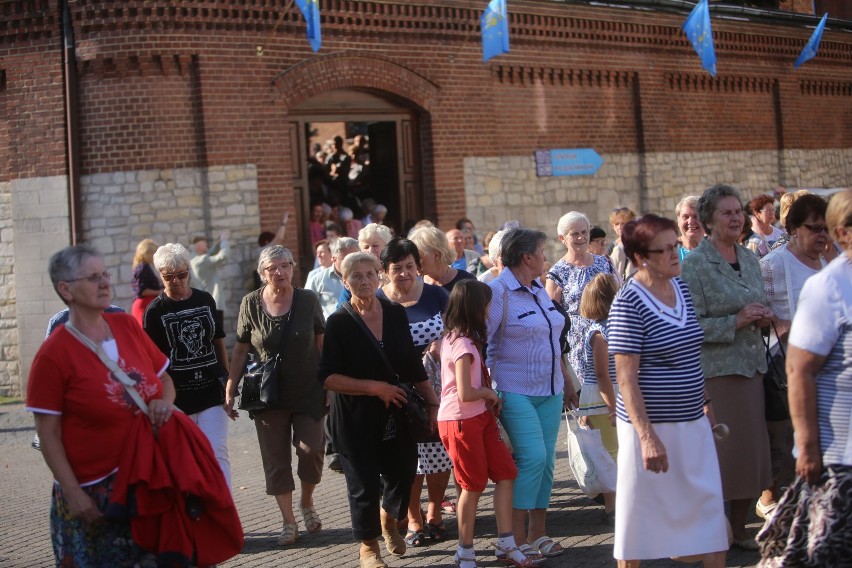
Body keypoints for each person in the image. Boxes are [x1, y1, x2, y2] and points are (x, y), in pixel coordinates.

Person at [26, 244, 176, 566]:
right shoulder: (53, 354)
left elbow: (164, 380)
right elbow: (48, 434)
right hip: (95, 496)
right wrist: (74, 493)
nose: (105, 282)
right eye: (93, 277)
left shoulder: (126, 327)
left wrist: (164, 404)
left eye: (104, 274)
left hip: (149, 482)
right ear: (65, 289)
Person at [608, 215, 728, 567]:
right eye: (667, 248)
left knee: (710, 518)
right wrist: (646, 437)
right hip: (649, 429)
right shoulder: (628, 303)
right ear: (642, 257)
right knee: (637, 527)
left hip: (692, 422)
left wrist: (705, 402)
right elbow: (626, 378)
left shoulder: (682, 288)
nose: (677, 253)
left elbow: (692, 355)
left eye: (676, 244)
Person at [319, 252, 440, 568]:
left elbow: (411, 364)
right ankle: (368, 548)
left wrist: (432, 402)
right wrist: (374, 387)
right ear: (345, 281)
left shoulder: (394, 313)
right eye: (355, 276)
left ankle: (389, 519)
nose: (364, 281)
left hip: (396, 411)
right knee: (363, 485)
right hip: (354, 417)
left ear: (379, 276)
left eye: (369, 274)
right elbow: (328, 377)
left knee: (404, 469)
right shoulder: (339, 322)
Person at [757, 189, 852, 566]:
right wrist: (809, 448)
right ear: (842, 232)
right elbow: (799, 369)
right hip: (840, 455)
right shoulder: (828, 287)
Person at [681, 184, 773, 548]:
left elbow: (756, 301)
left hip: (751, 368)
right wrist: (733, 322)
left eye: (738, 212)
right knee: (722, 456)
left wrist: (763, 316)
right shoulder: (696, 265)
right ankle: (711, 530)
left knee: (750, 454)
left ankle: (739, 527)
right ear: (708, 220)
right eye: (727, 212)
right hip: (716, 374)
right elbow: (688, 325)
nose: (735, 218)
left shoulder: (749, 258)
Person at [487, 228, 579, 563]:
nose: (546, 257)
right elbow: (481, 342)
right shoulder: (498, 292)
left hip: (552, 389)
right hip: (514, 390)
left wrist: (567, 379)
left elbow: (555, 339)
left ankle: (539, 532)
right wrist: (485, 389)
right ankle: (513, 538)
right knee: (534, 458)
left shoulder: (538, 287)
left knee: (546, 466)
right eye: (542, 251)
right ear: (527, 257)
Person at [224, 245, 326, 546]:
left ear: (293, 268)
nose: (280, 272)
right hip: (267, 395)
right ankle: (288, 522)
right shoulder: (250, 303)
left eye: (285, 266)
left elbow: (322, 342)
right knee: (275, 459)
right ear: (262, 273)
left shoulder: (308, 300)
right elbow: (241, 348)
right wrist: (231, 386)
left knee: (312, 451)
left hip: (308, 390)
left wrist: (330, 384)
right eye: (272, 268)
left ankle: (306, 502)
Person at [439, 280, 533, 568]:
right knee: (472, 486)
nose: (490, 310)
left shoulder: (459, 339)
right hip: (462, 420)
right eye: (487, 304)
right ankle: (465, 550)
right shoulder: (463, 345)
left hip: (479, 417)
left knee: (506, 473)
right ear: (476, 307)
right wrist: (489, 393)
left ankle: (506, 542)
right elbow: (466, 392)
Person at [375, 239, 452, 548]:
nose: (404, 274)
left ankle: (434, 512)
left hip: (437, 385)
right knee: (406, 458)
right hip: (397, 391)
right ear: (385, 271)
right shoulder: (378, 302)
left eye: (410, 267)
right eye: (397, 269)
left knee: (438, 452)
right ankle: (413, 518)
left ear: (418, 268)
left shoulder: (436, 295)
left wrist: (442, 343)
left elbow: (458, 330)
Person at [756, 194, 829, 519]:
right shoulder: (774, 263)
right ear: (794, 229)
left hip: (826, 366)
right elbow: (759, 315)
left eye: (826, 229)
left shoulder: (829, 264)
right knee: (784, 441)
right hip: (784, 366)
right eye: (815, 229)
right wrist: (784, 323)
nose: (822, 236)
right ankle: (770, 499)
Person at [143, 243, 231, 486]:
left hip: (211, 392)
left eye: (182, 274)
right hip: (177, 398)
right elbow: (152, 361)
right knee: (184, 459)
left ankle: (227, 514)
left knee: (217, 454)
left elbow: (218, 341)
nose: (177, 281)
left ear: (189, 271)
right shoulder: (154, 312)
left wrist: (226, 380)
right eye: (169, 277)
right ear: (160, 276)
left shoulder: (205, 300)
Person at [545, 211, 615, 386]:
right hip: (578, 343)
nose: (580, 237)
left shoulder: (604, 263)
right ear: (562, 238)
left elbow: (618, 295)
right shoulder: (557, 272)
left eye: (584, 232)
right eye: (574, 233)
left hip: (610, 334)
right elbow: (552, 316)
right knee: (589, 396)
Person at [578, 272, 621, 525]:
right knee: (609, 453)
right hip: (603, 398)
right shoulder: (599, 333)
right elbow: (603, 374)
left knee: (619, 450)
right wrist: (613, 406)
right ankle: (611, 508)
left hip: (613, 394)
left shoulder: (610, 327)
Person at [409, 226, 476, 293]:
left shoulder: (467, 283)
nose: (414, 262)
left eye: (418, 257)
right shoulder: (412, 284)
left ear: (436, 255)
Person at [308, 237, 359, 319]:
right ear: (334, 259)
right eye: (346, 259)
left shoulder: (367, 277)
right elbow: (308, 309)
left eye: (355, 258)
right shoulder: (318, 280)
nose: (352, 263)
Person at [189, 231, 230, 325]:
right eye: (205, 244)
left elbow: (210, 253)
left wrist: (217, 244)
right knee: (217, 335)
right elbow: (222, 257)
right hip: (213, 302)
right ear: (199, 247)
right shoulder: (202, 260)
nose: (207, 245)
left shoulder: (194, 258)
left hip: (205, 303)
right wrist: (224, 241)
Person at [130, 238, 163, 326]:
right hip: (144, 305)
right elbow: (142, 290)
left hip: (150, 304)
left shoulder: (147, 267)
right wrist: (159, 292)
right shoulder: (143, 268)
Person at [608, 207, 637, 280]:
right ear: (613, 226)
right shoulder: (613, 246)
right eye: (617, 224)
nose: (620, 227)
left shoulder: (638, 243)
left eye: (623, 223)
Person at [675, 196, 705, 262]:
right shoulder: (670, 251)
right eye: (685, 217)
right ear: (678, 221)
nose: (690, 222)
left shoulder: (717, 251)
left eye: (696, 216)